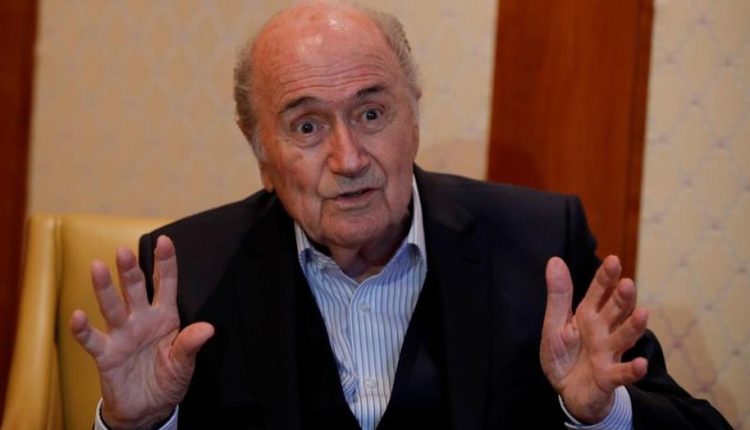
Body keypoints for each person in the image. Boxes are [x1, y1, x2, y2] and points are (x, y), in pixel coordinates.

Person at [69, 1, 731, 429]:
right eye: (306, 126)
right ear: (259, 150)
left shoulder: (538, 249)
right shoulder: (190, 273)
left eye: (371, 112)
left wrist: (599, 414)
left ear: (414, 115)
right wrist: (137, 426)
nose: (348, 158)